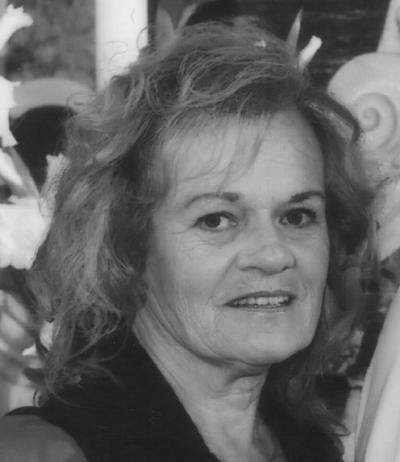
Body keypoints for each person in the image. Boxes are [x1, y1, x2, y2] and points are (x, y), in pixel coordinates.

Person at [0, 20, 371, 462]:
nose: (273, 254)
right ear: (126, 246)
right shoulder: (42, 453)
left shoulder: (312, 448)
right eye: (217, 220)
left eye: (297, 216)